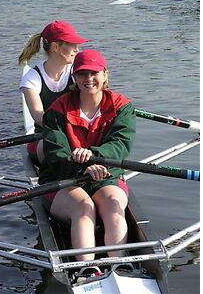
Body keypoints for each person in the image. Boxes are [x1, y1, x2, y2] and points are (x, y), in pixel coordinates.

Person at [39, 49, 136, 262]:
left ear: (105, 75)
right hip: (63, 179)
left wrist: (93, 157)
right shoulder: (57, 110)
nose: (89, 79)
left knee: (113, 206)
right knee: (84, 208)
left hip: (106, 174)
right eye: (82, 74)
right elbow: (56, 155)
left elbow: (120, 144)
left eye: (94, 73)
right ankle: (86, 269)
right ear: (74, 77)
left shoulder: (122, 107)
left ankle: (119, 265)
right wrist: (83, 167)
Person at [18, 21, 88, 164]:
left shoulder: (78, 73)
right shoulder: (32, 78)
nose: (77, 50)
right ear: (56, 47)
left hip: (77, 134)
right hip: (44, 138)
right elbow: (39, 117)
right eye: (72, 45)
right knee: (52, 144)